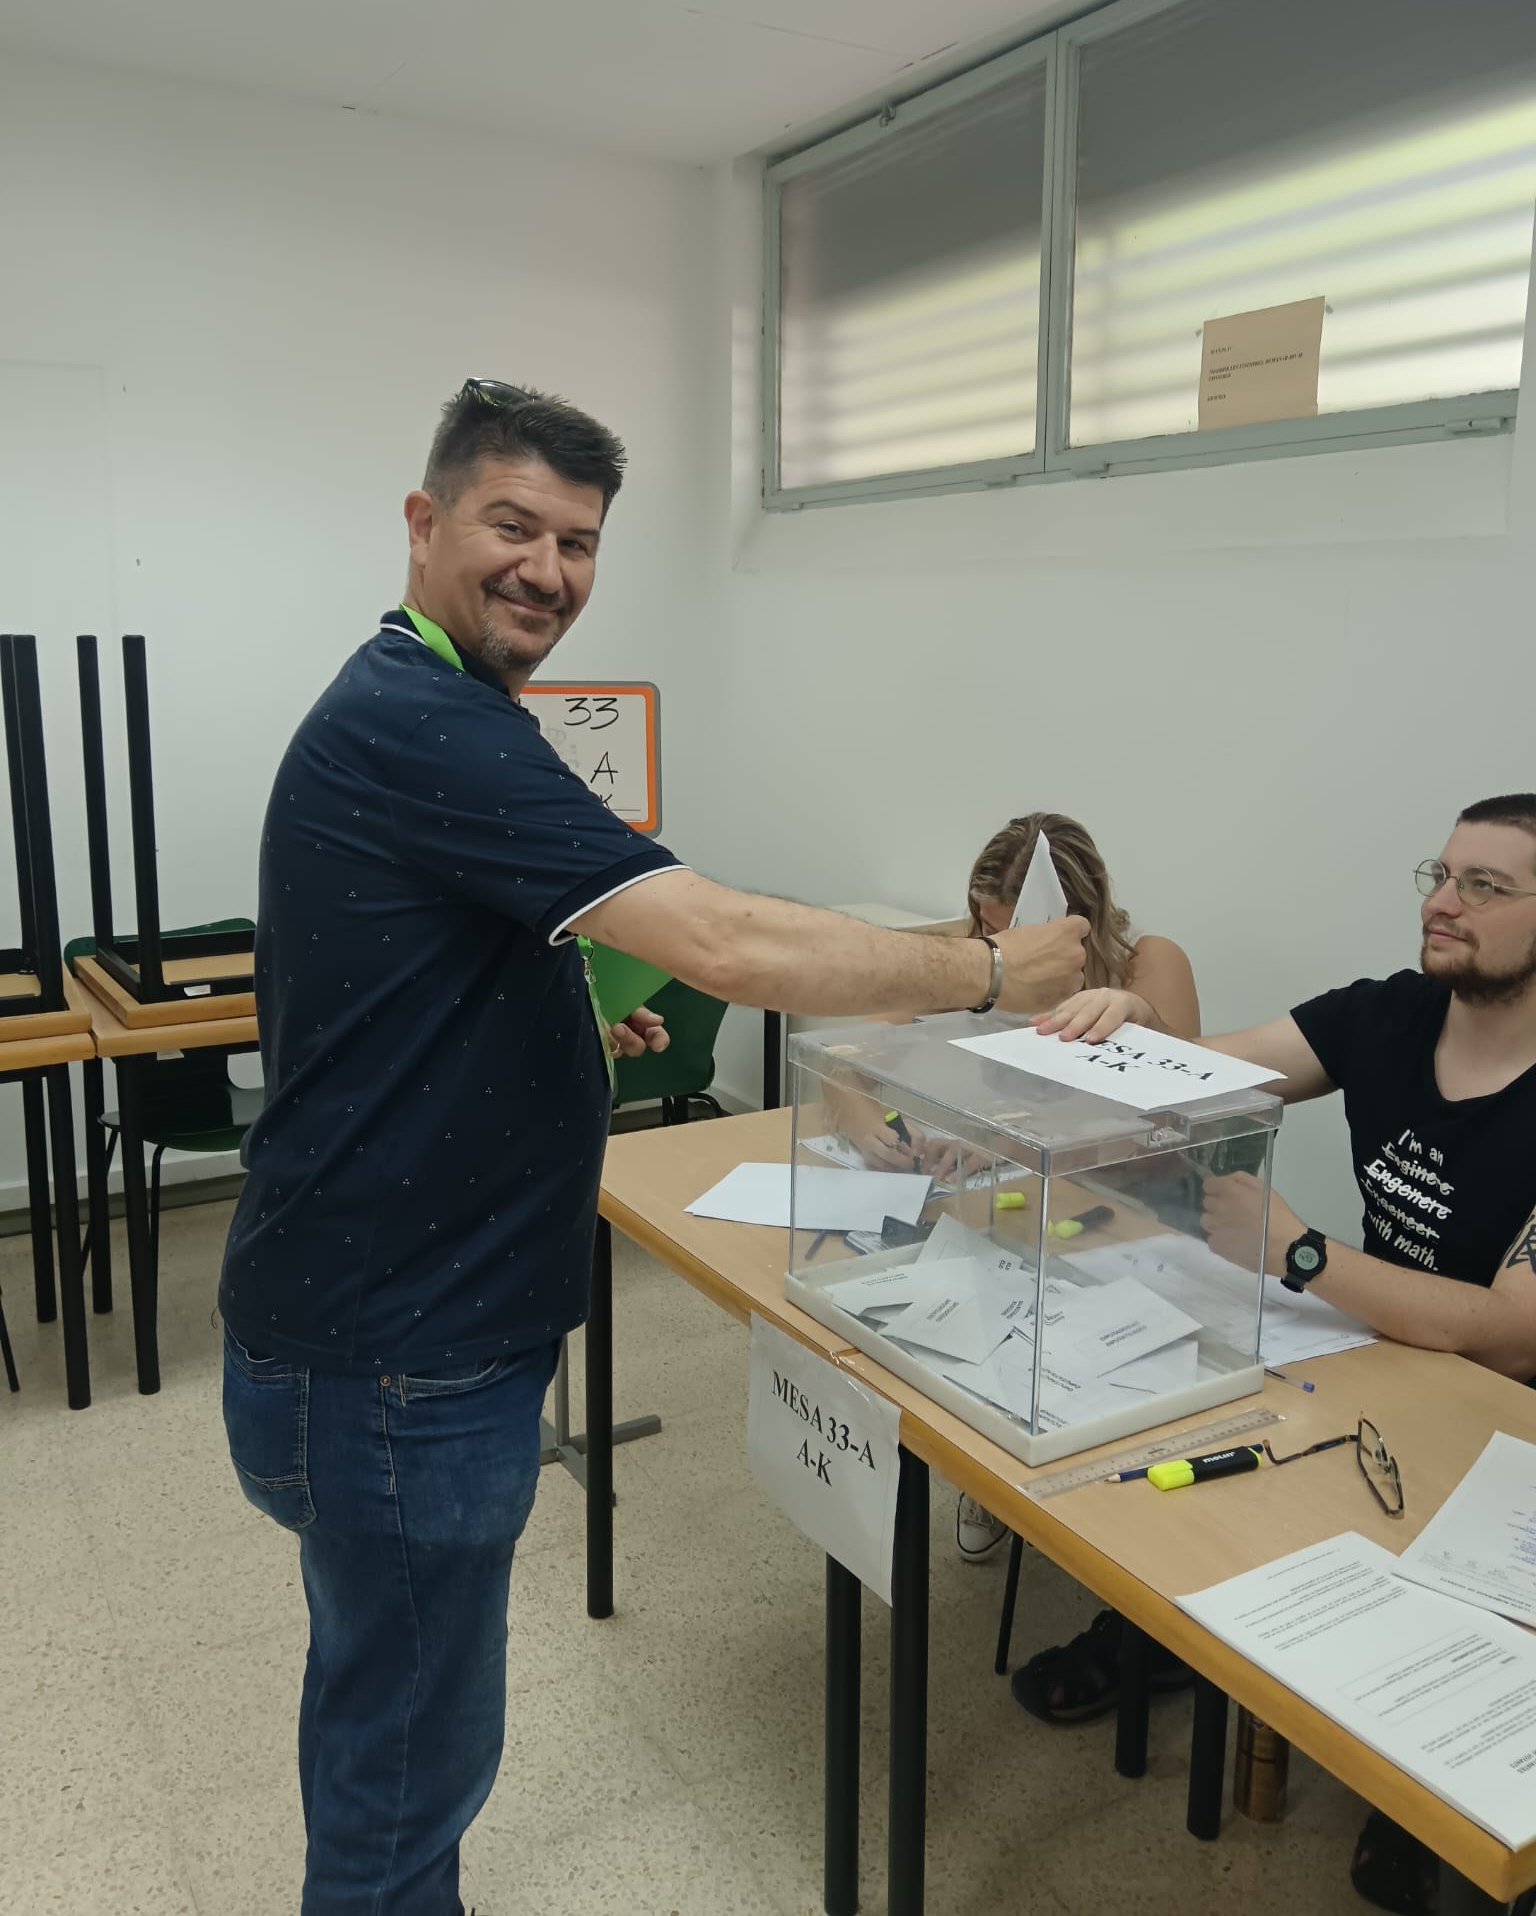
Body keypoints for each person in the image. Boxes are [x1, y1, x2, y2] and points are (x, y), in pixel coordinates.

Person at [218, 377, 1088, 1916]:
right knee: (405, 1768)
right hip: (397, 1349)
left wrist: (548, 1021)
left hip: (380, 1321)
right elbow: (725, 941)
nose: (547, 569)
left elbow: (428, 959)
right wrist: (989, 973)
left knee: (390, 1710)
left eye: (579, 541)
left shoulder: (436, 704)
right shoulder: (424, 722)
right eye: (512, 525)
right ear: (424, 525)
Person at [1013, 794, 1536, 1916]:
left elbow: (1512, 1326)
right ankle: (1165, 1639)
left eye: (1486, 887)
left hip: (1499, 1416)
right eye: (1439, 874)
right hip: (1369, 1351)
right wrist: (1135, 1010)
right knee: (1177, 1456)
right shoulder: (1388, 1014)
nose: (1442, 903)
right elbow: (1197, 1071)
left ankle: (1414, 1793)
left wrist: (1298, 1252)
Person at [948, 814, 1200, 1558]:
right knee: (988, 1298)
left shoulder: (1151, 962)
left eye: (1015, 933)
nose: (1003, 952)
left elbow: (1180, 1116)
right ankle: (992, 1463)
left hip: (1144, 1205)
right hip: (1035, 1191)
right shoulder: (985, 960)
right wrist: (940, 1133)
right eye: (990, 933)